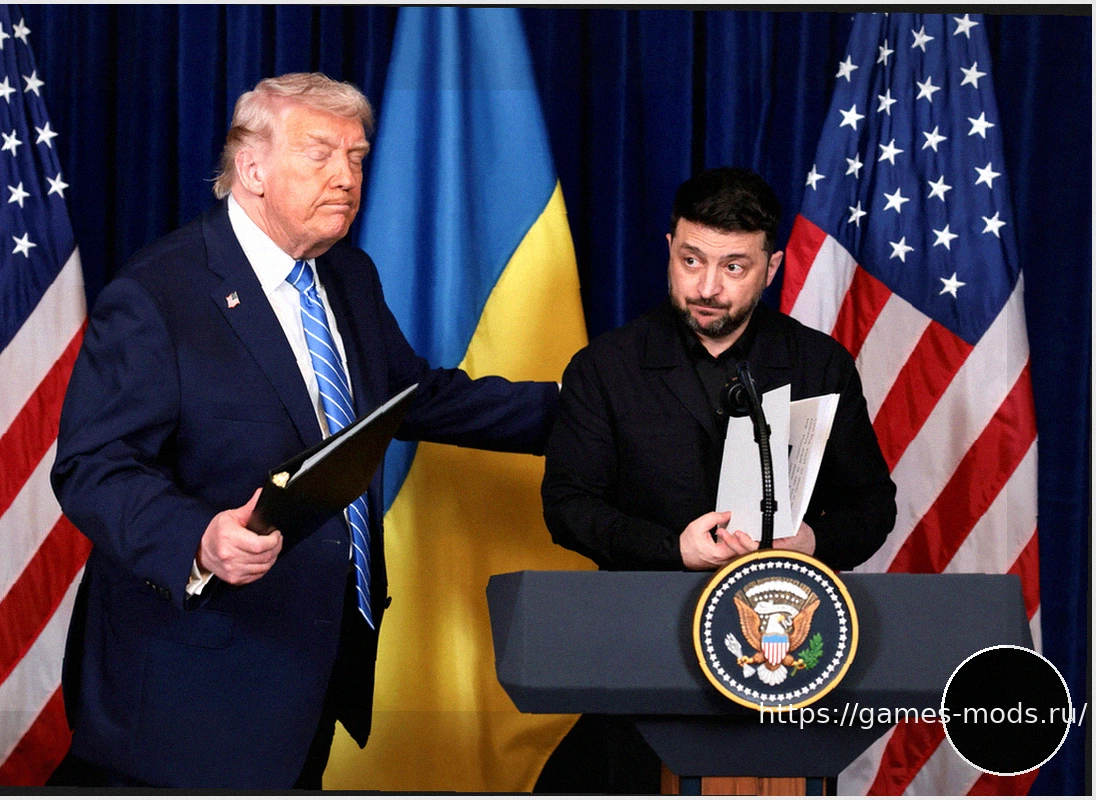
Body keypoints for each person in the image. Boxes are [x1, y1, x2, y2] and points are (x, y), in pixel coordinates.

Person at [48, 73, 559, 790]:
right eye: (320, 154)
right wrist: (198, 538)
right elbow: (93, 467)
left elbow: (410, 398)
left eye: (356, 158)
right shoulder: (158, 294)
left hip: (314, 666)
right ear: (252, 169)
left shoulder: (347, 275)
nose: (346, 177)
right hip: (189, 682)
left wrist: (590, 412)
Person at [536, 167, 896, 792]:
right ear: (669, 249)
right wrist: (672, 548)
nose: (706, 287)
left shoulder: (819, 364)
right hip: (642, 650)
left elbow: (872, 506)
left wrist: (811, 543)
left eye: (734, 267)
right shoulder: (606, 367)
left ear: (771, 267)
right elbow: (567, 506)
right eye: (691, 260)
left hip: (785, 656)